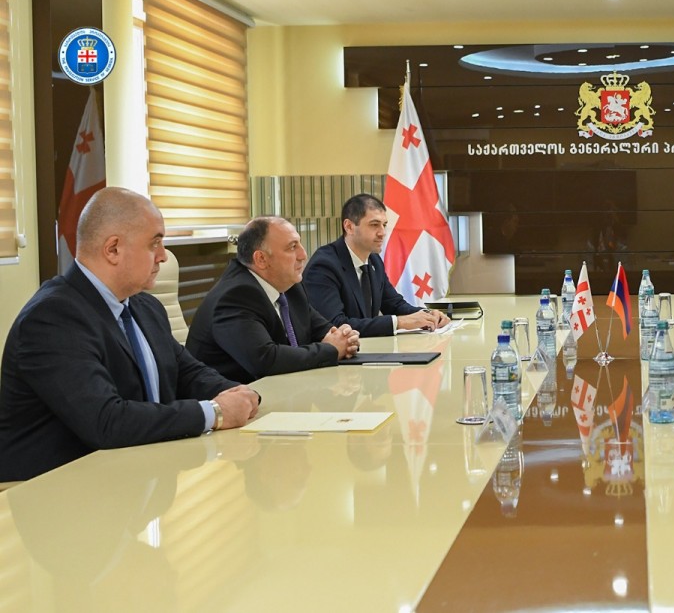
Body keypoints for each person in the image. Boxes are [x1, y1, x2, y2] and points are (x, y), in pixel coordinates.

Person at [0, 187, 259, 482]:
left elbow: (187, 373)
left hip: (131, 477)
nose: (163, 256)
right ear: (113, 249)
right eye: (154, 243)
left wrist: (238, 394)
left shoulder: (145, 306)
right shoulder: (52, 318)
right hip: (54, 489)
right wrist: (214, 413)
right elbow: (106, 421)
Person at [186, 216, 360, 384]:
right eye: (292, 247)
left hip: (286, 390)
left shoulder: (290, 287)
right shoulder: (236, 296)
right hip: (236, 397)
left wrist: (345, 337)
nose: (303, 254)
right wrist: (331, 349)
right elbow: (265, 360)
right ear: (261, 259)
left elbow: (325, 331)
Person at [303, 194, 447, 337]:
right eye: (374, 225)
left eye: (384, 225)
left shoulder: (374, 261)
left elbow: (394, 304)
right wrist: (398, 322)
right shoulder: (324, 265)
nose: (382, 233)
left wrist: (428, 315)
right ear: (349, 227)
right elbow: (335, 325)